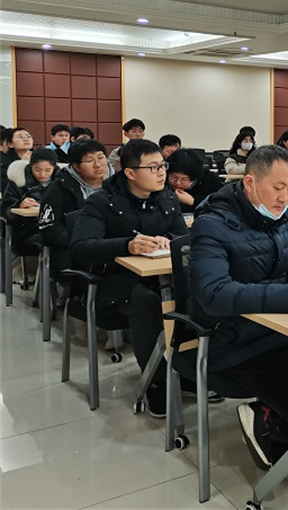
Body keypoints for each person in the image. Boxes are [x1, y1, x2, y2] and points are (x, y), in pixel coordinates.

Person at [189, 145, 288, 471]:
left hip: (287, 329)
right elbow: (212, 293)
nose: (285, 198)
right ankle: (267, 427)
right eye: (278, 188)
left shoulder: (284, 217)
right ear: (250, 183)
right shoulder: (212, 225)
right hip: (237, 339)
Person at [70, 139, 188, 417]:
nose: (161, 173)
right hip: (113, 282)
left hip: (159, 276)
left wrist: (169, 239)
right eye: (153, 167)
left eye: (163, 166)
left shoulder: (167, 197)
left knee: (192, 295)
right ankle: (156, 382)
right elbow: (81, 247)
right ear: (130, 173)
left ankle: (186, 371)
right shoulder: (102, 201)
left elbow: (183, 237)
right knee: (147, 302)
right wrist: (127, 245)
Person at [38, 139, 112, 276]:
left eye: (101, 158)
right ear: (76, 166)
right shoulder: (60, 187)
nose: (97, 164)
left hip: (113, 245)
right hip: (73, 247)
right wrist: (81, 241)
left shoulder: (119, 184)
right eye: (89, 161)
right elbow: (50, 228)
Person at [2, 149, 60, 275]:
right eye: (37, 170)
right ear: (30, 166)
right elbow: (4, 211)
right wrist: (18, 204)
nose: (42, 174)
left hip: (55, 227)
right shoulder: (18, 182)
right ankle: (48, 283)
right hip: (26, 231)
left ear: (54, 168)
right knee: (53, 242)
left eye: (48, 170)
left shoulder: (62, 182)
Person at [167, 148, 223, 213]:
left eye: (185, 179)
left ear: (195, 178)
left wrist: (193, 201)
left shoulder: (209, 179)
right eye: (174, 177)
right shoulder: (162, 181)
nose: (178, 183)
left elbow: (222, 205)